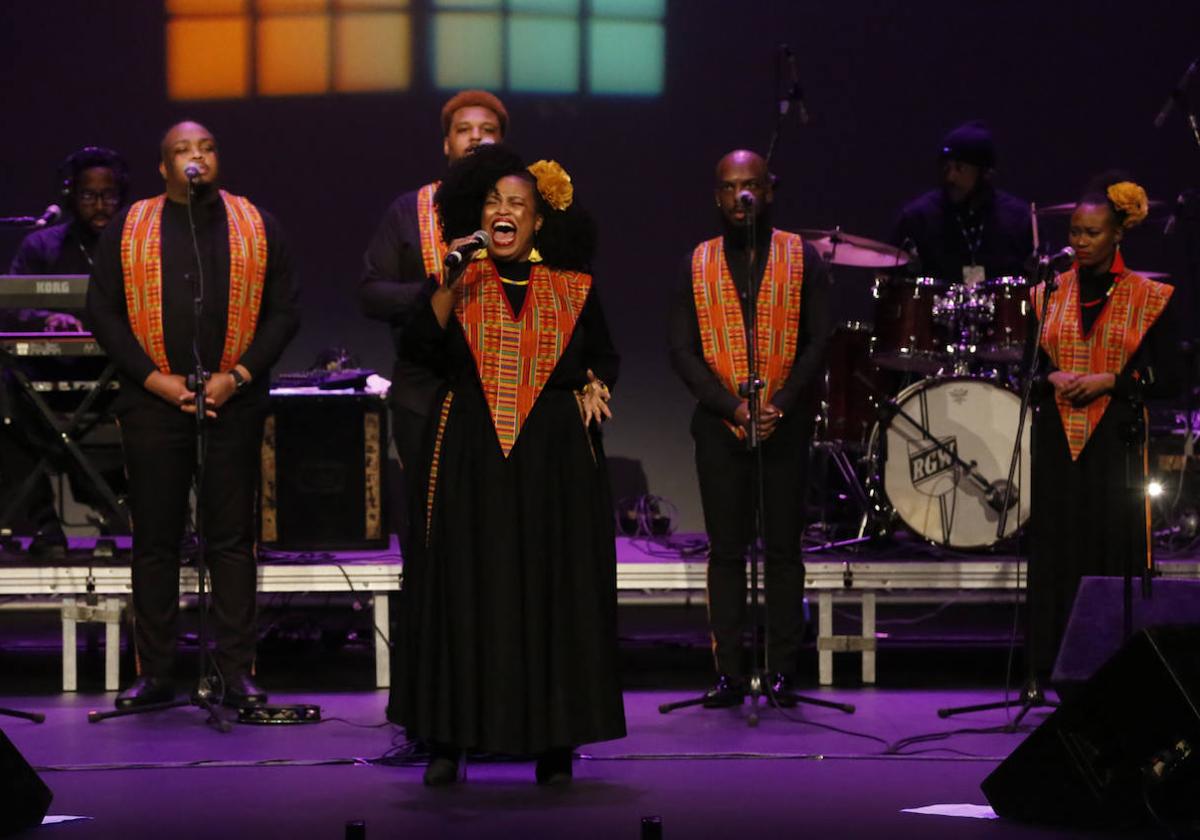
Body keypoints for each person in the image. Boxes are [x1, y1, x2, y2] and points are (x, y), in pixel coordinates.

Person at [391, 144, 625, 786]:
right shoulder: (459, 281)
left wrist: (592, 384)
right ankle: (446, 739)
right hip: (470, 449)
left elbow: (604, 356)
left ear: (538, 220)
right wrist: (447, 274)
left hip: (552, 457)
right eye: (493, 201)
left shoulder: (572, 289)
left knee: (553, 589)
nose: (504, 210)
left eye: (517, 203)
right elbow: (418, 346)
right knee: (464, 586)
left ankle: (553, 743)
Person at [86, 121, 300, 709]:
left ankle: (235, 672)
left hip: (232, 400)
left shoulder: (255, 224)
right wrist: (155, 380)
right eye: (182, 150)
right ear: (163, 167)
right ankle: (155, 673)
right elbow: (100, 310)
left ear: (217, 159)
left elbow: (285, 311)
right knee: (155, 539)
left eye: (205, 148)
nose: (195, 157)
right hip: (153, 402)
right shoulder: (131, 227)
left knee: (230, 541)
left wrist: (239, 376)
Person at [668, 149, 830, 706]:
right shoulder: (698, 260)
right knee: (727, 550)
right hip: (720, 425)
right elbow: (682, 349)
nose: (742, 197)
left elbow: (818, 339)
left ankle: (783, 668)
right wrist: (729, 407)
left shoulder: (800, 256)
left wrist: (780, 403)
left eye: (753, 186)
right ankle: (730, 672)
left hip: (784, 422)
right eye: (731, 187)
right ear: (717, 196)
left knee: (783, 550)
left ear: (768, 191)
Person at [1028, 175, 1180, 673]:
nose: (1079, 241)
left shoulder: (1149, 297)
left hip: (1116, 441)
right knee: (1055, 551)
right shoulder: (1046, 295)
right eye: (1074, 231)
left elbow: (1169, 378)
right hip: (1056, 442)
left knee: (1110, 550)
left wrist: (1111, 381)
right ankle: (1047, 666)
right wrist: (1051, 374)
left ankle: (1110, 667)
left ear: (1117, 234)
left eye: (1091, 232)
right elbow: (1023, 371)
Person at [359, 90, 508, 530]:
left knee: (498, 527)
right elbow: (370, 292)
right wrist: (436, 290)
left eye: (488, 131)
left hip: (507, 393)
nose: (476, 139)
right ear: (446, 144)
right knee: (431, 531)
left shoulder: (527, 212)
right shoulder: (409, 211)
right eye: (464, 130)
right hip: (427, 393)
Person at [0, 146, 130, 558]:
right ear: (71, 195)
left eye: (109, 195)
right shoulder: (42, 245)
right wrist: (46, 318)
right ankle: (44, 526)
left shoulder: (134, 244)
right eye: (90, 196)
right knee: (7, 405)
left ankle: (125, 511)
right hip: (47, 381)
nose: (100, 205)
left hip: (121, 380)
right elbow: (12, 302)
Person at [893, 121, 1033, 284]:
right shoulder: (917, 217)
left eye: (960, 168)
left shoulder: (1019, 219)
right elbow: (888, 273)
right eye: (946, 168)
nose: (950, 177)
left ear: (986, 173)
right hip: (934, 308)